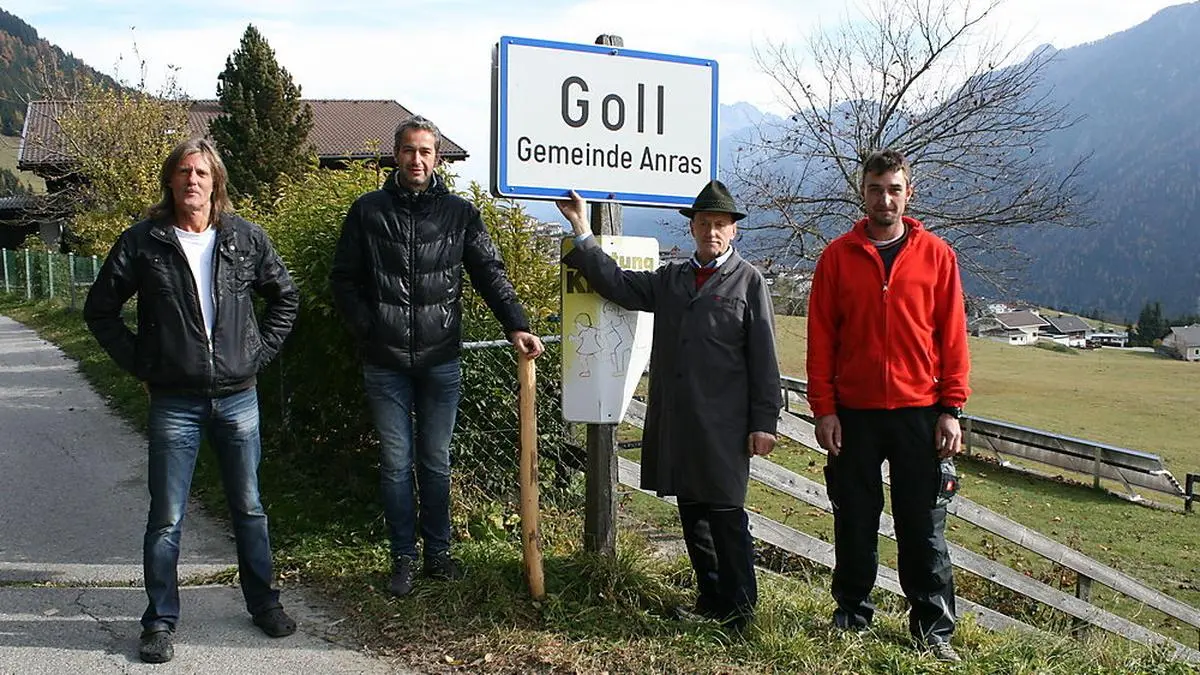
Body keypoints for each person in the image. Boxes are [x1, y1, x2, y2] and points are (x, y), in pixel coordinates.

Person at [84, 138, 300, 664]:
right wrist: (143, 363)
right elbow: (101, 310)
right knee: (167, 515)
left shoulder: (245, 238)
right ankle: (159, 621)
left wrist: (255, 353)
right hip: (174, 401)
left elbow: (286, 297)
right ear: (171, 181)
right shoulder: (143, 241)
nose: (192, 181)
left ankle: (263, 603)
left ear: (215, 181)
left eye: (201, 173)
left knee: (249, 507)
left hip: (238, 397)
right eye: (183, 172)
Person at [330, 116, 544, 597]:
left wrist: (519, 325)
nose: (417, 159)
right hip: (383, 360)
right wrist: (367, 328)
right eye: (409, 150)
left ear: (437, 158)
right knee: (394, 461)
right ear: (396, 154)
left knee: (435, 460)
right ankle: (403, 558)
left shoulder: (459, 214)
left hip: (439, 359)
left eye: (426, 151)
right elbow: (343, 279)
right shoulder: (367, 211)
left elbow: (489, 271)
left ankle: (438, 555)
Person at [556, 180, 781, 634]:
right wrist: (582, 229)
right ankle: (710, 602)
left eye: (720, 224)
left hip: (726, 425)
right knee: (692, 513)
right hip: (679, 418)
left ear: (733, 231)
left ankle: (740, 615)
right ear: (693, 227)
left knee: (726, 516)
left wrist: (764, 422)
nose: (712, 232)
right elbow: (618, 285)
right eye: (704, 223)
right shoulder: (673, 279)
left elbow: (765, 359)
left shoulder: (749, 281)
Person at [805, 149, 970, 663]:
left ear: (908, 193)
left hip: (920, 412)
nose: (885, 198)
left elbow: (953, 337)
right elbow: (820, 341)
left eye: (894, 189)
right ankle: (852, 615)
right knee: (854, 519)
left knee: (923, 526)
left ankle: (933, 631)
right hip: (853, 413)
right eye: (876, 189)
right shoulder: (836, 256)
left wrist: (952, 408)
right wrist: (824, 409)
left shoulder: (937, 255)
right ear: (864, 192)